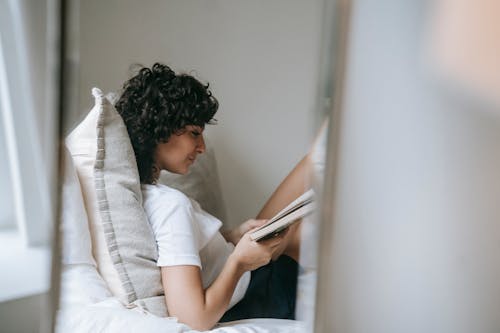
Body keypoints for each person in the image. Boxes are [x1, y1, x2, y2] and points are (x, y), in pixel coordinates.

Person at [115, 63, 311, 331]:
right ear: (159, 131)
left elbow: (183, 250)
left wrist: (231, 236)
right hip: (253, 296)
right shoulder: (171, 206)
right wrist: (239, 261)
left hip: (250, 283)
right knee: (311, 202)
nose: (202, 147)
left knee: (311, 177)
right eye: (195, 133)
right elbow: (193, 319)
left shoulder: (151, 197)